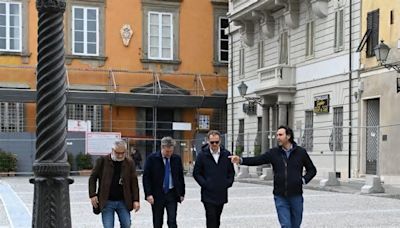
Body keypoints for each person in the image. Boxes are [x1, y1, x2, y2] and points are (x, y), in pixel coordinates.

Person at [230, 126, 317, 228]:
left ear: (288, 136)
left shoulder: (300, 152)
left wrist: (303, 180)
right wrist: (240, 160)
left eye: (280, 135)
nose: (277, 137)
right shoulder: (274, 153)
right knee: (286, 225)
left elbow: (312, 170)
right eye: (277, 135)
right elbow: (258, 160)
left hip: (296, 196)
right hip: (280, 196)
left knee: (295, 225)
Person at [89, 140, 140, 228]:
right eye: (117, 153)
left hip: (123, 201)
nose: (120, 155)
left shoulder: (129, 162)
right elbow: (92, 178)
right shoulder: (102, 161)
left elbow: (134, 183)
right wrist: (92, 195)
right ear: (112, 150)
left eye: (122, 153)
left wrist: (136, 200)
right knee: (108, 226)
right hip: (107, 201)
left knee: (126, 224)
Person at [193, 130, 235, 228]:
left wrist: (228, 183)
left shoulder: (226, 154)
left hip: (221, 192)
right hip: (208, 194)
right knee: (211, 219)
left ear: (220, 141)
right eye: (212, 142)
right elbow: (196, 173)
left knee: (217, 218)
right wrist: (205, 184)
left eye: (217, 142)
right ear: (208, 141)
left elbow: (231, 172)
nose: (214, 144)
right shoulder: (202, 155)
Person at [142, 136, 185, 228]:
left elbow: (180, 177)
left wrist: (181, 193)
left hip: (172, 194)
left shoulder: (176, 159)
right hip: (157, 194)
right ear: (162, 148)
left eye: (171, 151)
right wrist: (148, 194)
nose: (169, 153)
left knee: (172, 220)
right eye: (167, 151)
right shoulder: (152, 159)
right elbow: (146, 178)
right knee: (158, 221)